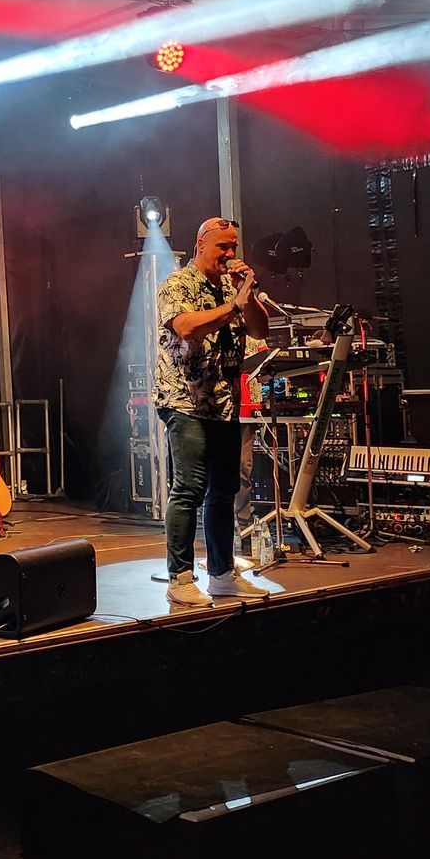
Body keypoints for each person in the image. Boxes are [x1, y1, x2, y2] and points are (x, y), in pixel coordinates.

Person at [156, 217, 273, 608]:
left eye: (234, 246)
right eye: (223, 246)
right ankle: (180, 577)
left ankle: (221, 575)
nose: (230, 253)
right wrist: (232, 306)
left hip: (224, 404)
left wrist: (247, 295)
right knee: (189, 488)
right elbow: (186, 327)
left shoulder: (230, 287)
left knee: (224, 490)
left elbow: (260, 331)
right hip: (185, 401)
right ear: (200, 244)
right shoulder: (178, 284)